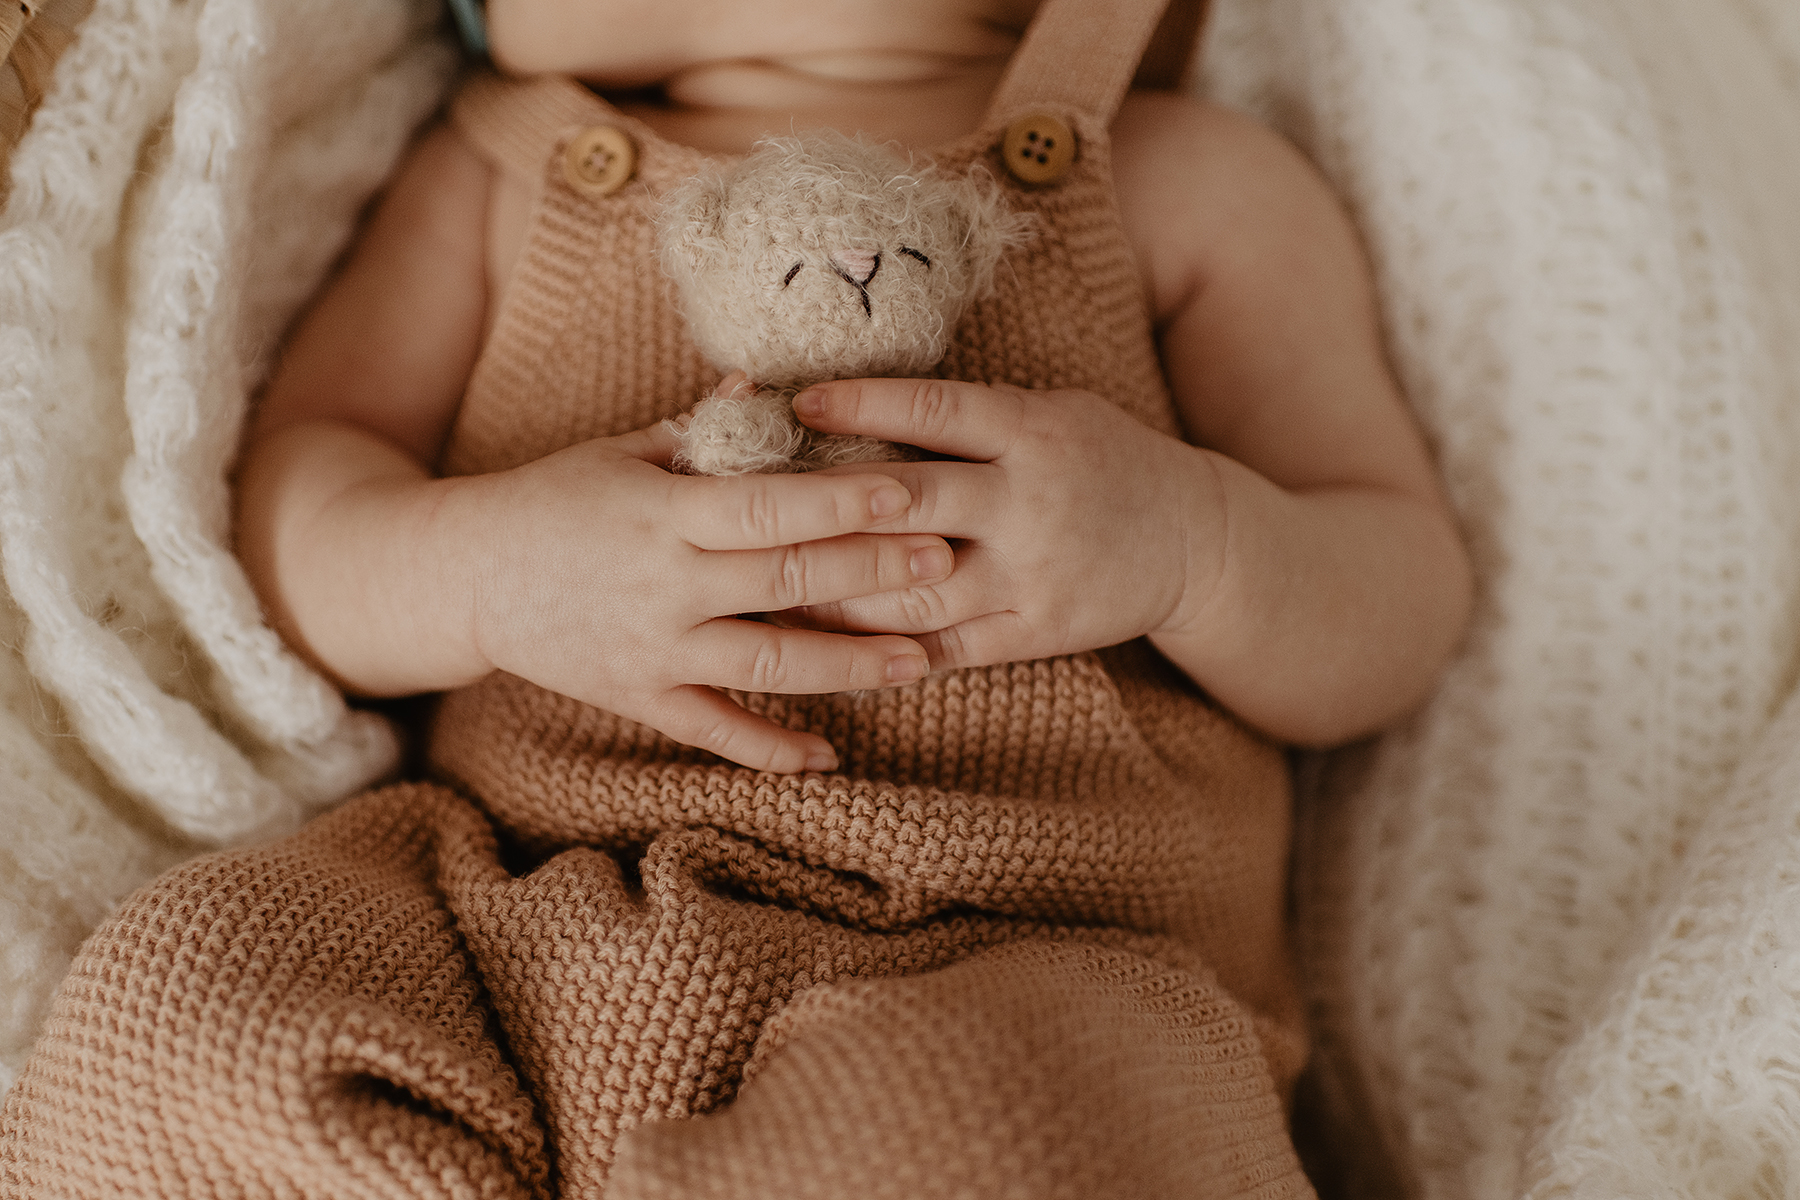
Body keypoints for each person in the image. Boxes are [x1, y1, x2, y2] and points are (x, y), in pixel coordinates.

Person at [0, 0, 1472, 1196]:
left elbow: (1393, 603)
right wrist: (486, 571)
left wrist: (1193, 543)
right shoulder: (498, 182)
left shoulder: (1183, 182)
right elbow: (293, 530)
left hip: (1028, 972)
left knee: (1018, 1133)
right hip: (506, 920)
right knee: (182, 1010)